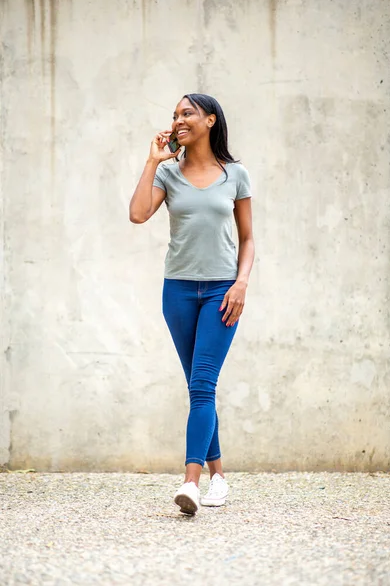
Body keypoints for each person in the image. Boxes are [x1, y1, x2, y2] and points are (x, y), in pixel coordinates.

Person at [129, 93, 254, 514]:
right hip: (178, 292)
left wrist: (241, 283)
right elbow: (137, 214)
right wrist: (152, 161)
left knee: (203, 385)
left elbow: (248, 238)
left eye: (187, 113)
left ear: (211, 120)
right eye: (175, 115)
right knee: (199, 388)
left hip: (222, 291)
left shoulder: (235, 174)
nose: (178, 120)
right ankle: (219, 476)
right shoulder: (168, 174)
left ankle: (191, 483)